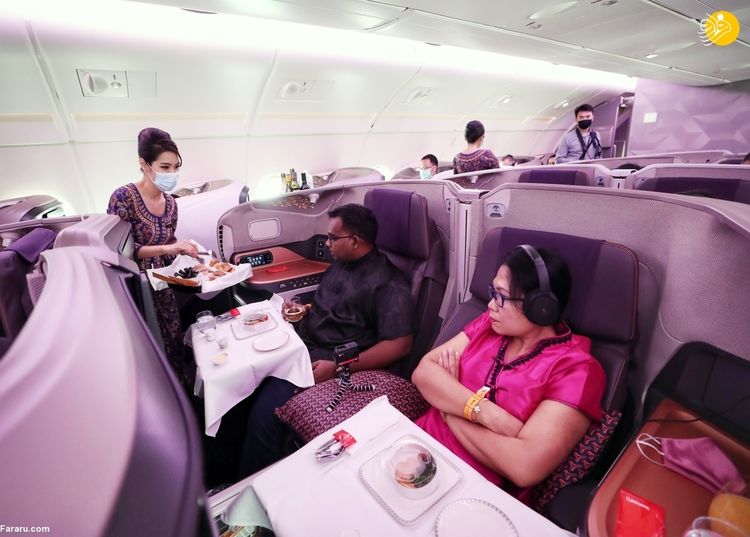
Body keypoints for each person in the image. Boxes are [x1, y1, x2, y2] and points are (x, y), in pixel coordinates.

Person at [412, 246, 606, 504]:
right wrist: (486, 413)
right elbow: (424, 372)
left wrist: (448, 408)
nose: (490, 304)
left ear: (541, 308)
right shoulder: (489, 323)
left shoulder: (577, 369)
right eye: (492, 292)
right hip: (417, 442)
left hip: (471, 489)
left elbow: (524, 466)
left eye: (501, 296)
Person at [236, 203, 416, 478]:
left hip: (327, 360)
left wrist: (339, 368)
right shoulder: (341, 263)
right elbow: (339, 308)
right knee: (243, 382)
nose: (327, 244)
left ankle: (256, 482)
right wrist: (304, 310)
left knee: (264, 413)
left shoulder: (389, 284)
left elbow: (400, 344)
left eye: (332, 238)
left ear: (355, 241)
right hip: (302, 343)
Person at [107, 127, 197, 386]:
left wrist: (189, 258)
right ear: (144, 164)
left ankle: (180, 391)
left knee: (172, 336)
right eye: (165, 167)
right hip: (134, 284)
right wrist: (169, 249)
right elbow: (121, 250)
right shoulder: (123, 197)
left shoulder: (171, 204)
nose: (172, 174)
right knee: (147, 345)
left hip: (163, 283)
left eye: (176, 167)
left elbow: (168, 243)